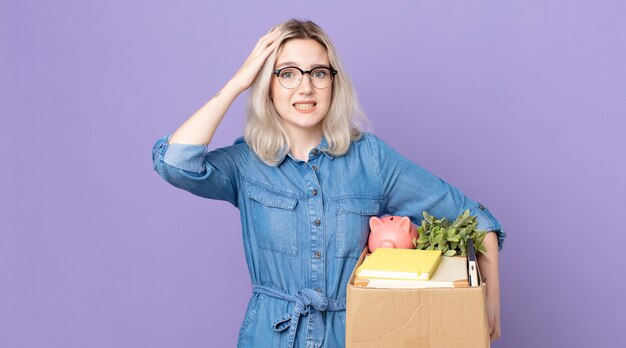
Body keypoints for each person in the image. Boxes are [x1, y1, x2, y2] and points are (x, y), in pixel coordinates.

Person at [152, 19, 505, 348]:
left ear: (333, 82)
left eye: (318, 73)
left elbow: (473, 218)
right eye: (288, 73)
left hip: (355, 335)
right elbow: (175, 162)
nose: (305, 87)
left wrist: (489, 302)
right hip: (269, 336)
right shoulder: (246, 163)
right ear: (268, 85)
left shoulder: (370, 158)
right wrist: (236, 84)